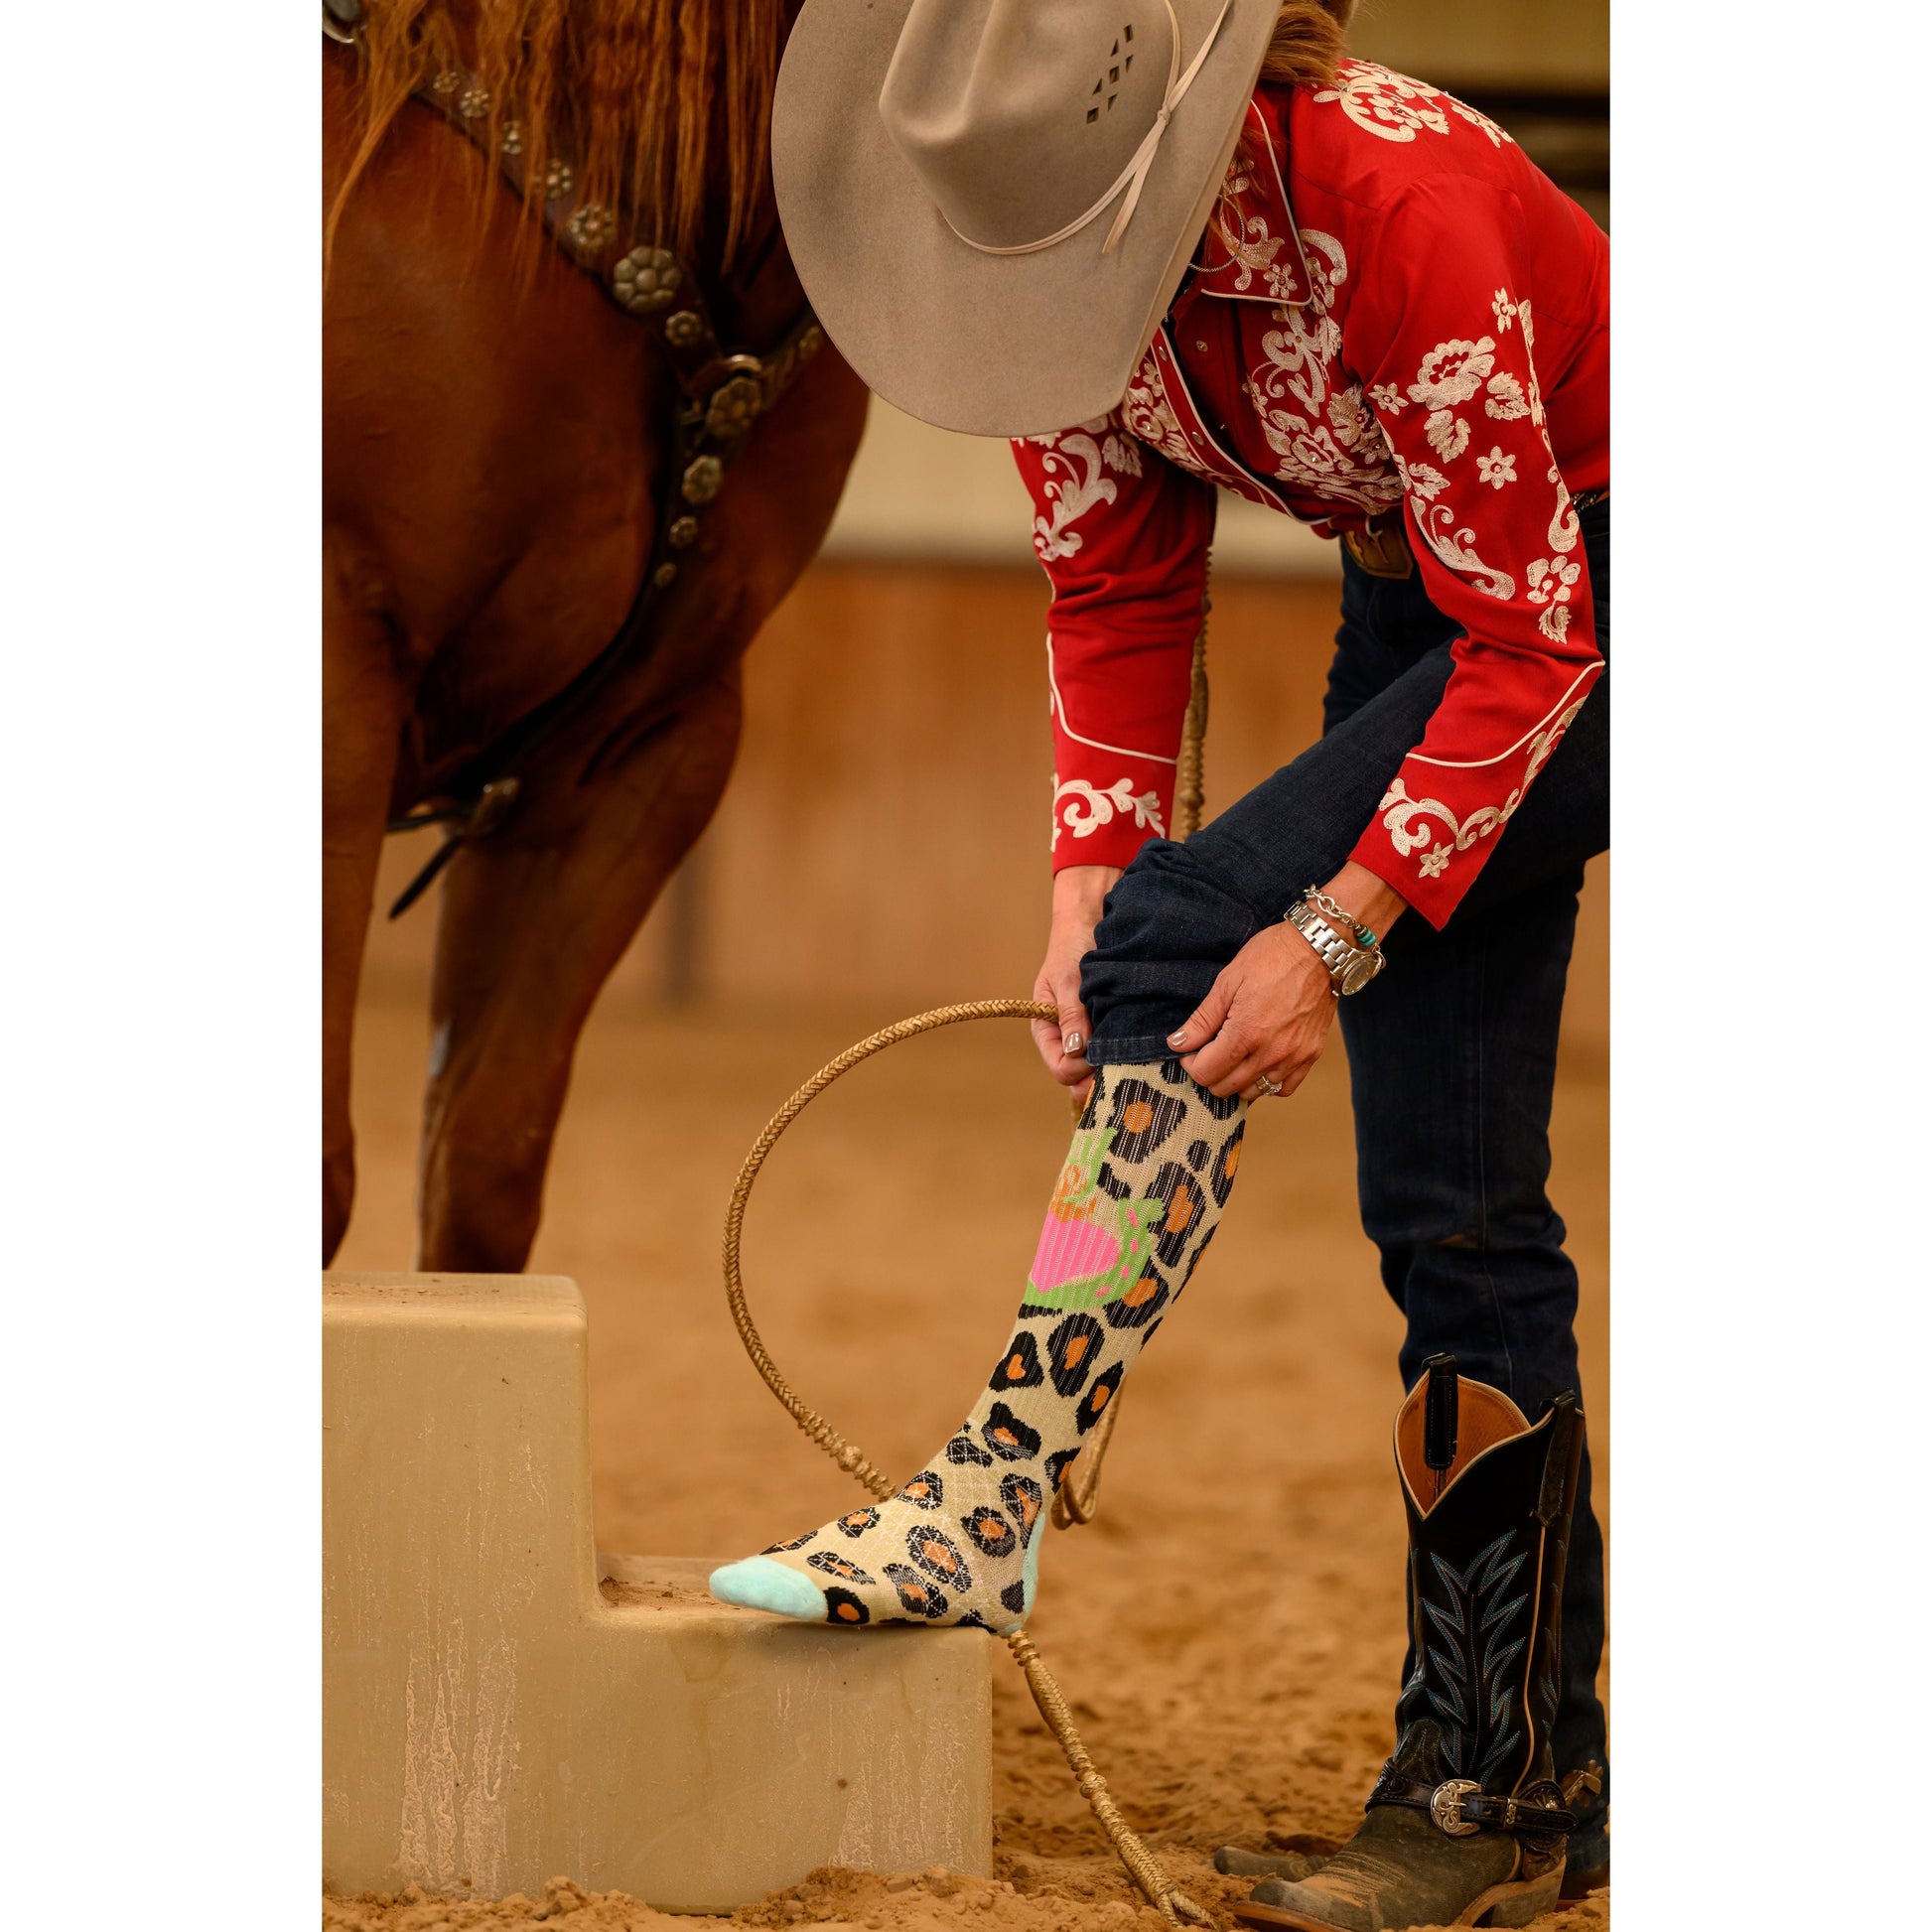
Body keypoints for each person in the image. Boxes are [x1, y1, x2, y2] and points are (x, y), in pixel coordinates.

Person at [711, 2, 1609, 1924]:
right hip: (1433, 608)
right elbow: (1116, 580)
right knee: (1449, 1208)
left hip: (1594, 595)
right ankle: (1501, 1791)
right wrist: (1078, 887)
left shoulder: (1399, 203)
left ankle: (996, 1486)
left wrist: (1324, 931)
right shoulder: (1045, 293)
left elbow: (1540, 645)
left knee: (1195, 936)